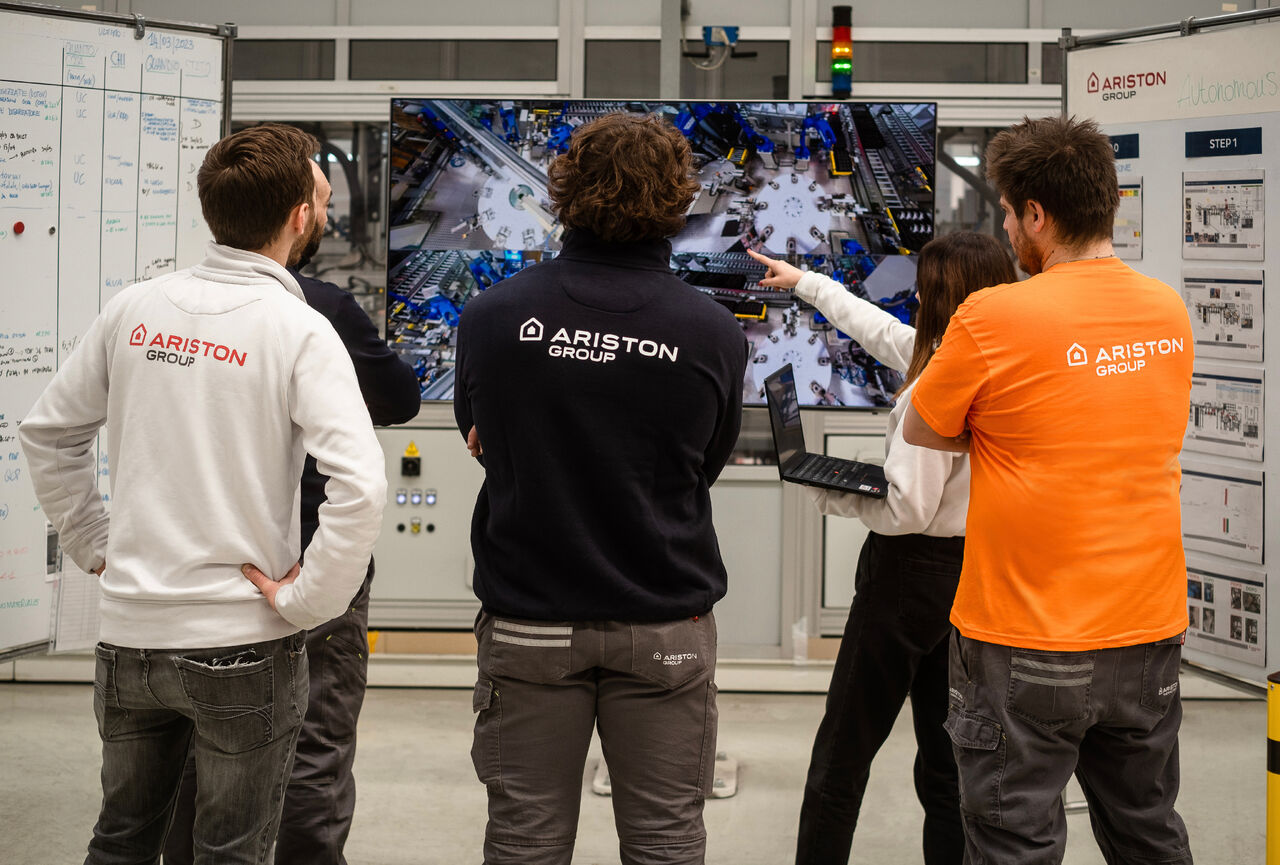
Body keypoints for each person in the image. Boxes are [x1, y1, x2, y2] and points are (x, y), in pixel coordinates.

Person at [19, 123, 387, 865]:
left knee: (121, 838)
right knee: (232, 851)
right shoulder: (300, 330)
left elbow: (46, 433)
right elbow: (361, 483)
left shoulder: (136, 308)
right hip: (244, 642)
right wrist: (309, 599)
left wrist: (95, 544)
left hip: (131, 636)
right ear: (299, 218)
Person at [453, 112, 747, 865]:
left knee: (524, 842)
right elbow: (703, 466)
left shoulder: (491, 317)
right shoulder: (712, 330)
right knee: (665, 841)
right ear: (678, 202)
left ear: (562, 193)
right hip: (663, 624)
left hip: (529, 619)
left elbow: (482, 441)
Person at [902, 115, 1194, 864]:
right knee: (1147, 830)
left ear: (1037, 214)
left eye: (1005, 210)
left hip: (1024, 635)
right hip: (1148, 629)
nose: (1004, 226)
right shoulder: (1166, 310)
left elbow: (926, 430)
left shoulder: (993, 315)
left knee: (1012, 843)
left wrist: (1003, 432)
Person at [162, 197, 421, 865]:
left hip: (199, 562)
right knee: (314, 744)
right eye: (326, 205)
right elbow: (400, 397)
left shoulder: (162, 303)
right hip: (308, 562)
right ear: (300, 218)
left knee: (197, 739)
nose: (332, 217)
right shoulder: (323, 309)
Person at [748, 233, 1015, 865]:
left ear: (946, 297)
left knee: (842, 755)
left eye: (926, 286)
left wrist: (828, 490)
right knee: (945, 761)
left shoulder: (933, 387)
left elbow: (907, 508)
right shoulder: (987, 364)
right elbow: (881, 333)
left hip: (906, 578)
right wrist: (805, 283)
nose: (915, 294)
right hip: (966, 575)